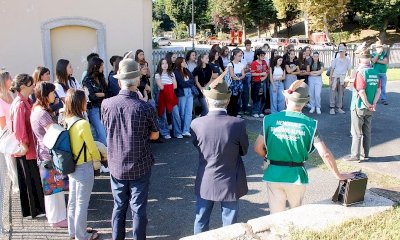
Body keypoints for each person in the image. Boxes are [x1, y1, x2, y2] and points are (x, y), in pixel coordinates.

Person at [254, 80, 353, 214]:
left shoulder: (270, 119)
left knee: (275, 216)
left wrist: (267, 157)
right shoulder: (310, 124)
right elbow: (325, 154)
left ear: (287, 100)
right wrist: (338, 174)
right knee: (295, 215)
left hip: (274, 174)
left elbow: (258, 147)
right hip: (296, 176)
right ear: (305, 102)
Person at [101, 58, 159, 240]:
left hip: (116, 163)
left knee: (119, 206)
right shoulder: (145, 107)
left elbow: (107, 127)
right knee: (139, 208)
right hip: (140, 164)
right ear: (138, 81)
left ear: (119, 82)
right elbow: (155, 135)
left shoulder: (106, 104)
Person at [191, 76, 249, 234]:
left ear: (208, 101)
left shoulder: (196, 124)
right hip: (230, 179)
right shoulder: (238, 124)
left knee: (201, 220)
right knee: (230, 225)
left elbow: (197, 146)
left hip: (206, 178)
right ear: (228, 100)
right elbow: (244, 151)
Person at [30, 82, 68, 228]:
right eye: (52, 92)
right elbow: (53, 133)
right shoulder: (42, 113)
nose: (55, 95)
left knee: (54, 187)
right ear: (46, 95)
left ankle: (57, 218)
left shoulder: (36, 110)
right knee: (54, 189)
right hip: (48, 154)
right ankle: (56, 219)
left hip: (43, 153)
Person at [64, 89, 100, 240]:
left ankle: (73, 231)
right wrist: (98, 159)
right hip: (84, 165)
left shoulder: (67, 120)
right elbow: (91, 147)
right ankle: (82, 235)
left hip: (72, 165)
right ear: (80, 103)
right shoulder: (82, 124)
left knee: (73, 200)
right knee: (82, 202)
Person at [10, 74, 46, 218]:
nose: (33, 88)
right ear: (23, 86)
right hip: (26, 148)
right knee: (30, 179)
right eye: (31, 85)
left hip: (28, 146)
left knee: (32, 179)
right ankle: (34, 210)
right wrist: (24, 144)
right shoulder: (20, 103)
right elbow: (19, 128)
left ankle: (36, 208)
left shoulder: (24, 101)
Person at [343, 47, 381, 162]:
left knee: (356, 132)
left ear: (360, 60)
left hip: (359, 105)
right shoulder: (375, 71)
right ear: (369, 59)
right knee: (367, 131)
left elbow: (361, 91)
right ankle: (366, 154)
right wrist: (373, 104)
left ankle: (355, 155)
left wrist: (367, 103)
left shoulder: (361, 72)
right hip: (371, 107)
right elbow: (378, 90)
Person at [82, 57, 108, 146]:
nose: (103, 68)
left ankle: (101, 155)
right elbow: (91, 96)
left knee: (102, 133)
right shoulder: (87, 80)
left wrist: (100, 94)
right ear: (95, 67)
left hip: (104, 107)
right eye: (101, 66)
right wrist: (103, 94)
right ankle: (104, 155)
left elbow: (108, 92)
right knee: (101, 132)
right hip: (93, 109)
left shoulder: (101, 77)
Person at [0, 70, 18, 194]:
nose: (11, 80)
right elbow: (2, 123)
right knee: (11, 161)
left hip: (16, 132)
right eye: (9, 78)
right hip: (8, 134)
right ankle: (16, 186)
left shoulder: (11, 95)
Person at [155, 58, 182, 139]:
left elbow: (175, 86)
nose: (165, 65)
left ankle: (177, 132)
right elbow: (161, 87)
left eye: (166, 63)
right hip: (162, 95)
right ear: (160, 65)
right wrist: (169, 85)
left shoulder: (172, 74)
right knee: (163, 115)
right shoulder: (157, 75)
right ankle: (165, 132)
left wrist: (166, 85)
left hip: (171, 95)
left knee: (176, 114)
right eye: (163, 63)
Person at [174, 57, 194, 137]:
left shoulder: (187, 70)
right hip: (182, 93)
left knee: (189, 112)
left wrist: (188, 83)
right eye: (183, 62)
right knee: (182, 113)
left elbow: (192, 80)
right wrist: (188, 83)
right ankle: (181, 129)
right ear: (179, 63)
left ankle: (186, 130)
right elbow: (181, 83)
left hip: (189, 93)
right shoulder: (176, 72)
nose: (185, 63)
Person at [329, 46, 352, 115]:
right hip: (335, 77)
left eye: (342, 51)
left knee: (341, 93)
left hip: (342, 78)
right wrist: (330, 79)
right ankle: (332, 108)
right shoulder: (336, 60)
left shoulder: (348, 60)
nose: (341, 53)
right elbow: (332, 69)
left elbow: (349, 70)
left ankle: (339, 108)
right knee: (332, 93)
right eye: (340, 51)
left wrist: (347, 79)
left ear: (345, 52)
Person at [226, 49, 245, 117]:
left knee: (237, 99)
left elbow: (243, 74)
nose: (240, 57)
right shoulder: (230, 64)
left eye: (241, 56)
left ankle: (235, 113)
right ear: (234, 56)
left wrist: (239, 78)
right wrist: (239, 78)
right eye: (239, 56)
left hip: (239, 85)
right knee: (231, 99)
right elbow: (232, 75)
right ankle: (230, 113)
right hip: (232, 85)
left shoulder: (241, 64)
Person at [251, 50, 268, 117]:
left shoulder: (264, 62)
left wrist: (264, 77)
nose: (263, 57)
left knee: (263, 97)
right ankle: (255, 111)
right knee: (256, 97)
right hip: (256, 82)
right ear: (257, 56)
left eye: (264, 55)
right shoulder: (254, 63)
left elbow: (267, 71)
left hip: (263, 81)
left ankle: (260, 111)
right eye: (261, 55)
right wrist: (260, 74)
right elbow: (252, 73)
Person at [371, 39, 389, 105]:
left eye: (380, 47)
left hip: (383, 73)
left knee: (383, 86)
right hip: (375, 73)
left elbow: (385, 62)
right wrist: (378, 54)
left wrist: (377, 61)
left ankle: (383, 99)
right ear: (376, 48)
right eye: (378, 47)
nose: (379, 48)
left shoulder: (384, 54)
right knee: (375, 86)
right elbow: (373, 61)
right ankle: (375, 98)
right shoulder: (373, 54)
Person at [240, 39, 254, 115]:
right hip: (245, 71)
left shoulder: (252, 53)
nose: (248, 46)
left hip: (250, 71)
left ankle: (247, 102)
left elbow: (253, 62)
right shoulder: (243, 53)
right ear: (245, 45)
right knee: (243, 89)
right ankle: (242, 103)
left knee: (248, 88)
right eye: (247, 45)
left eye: (249, 45)